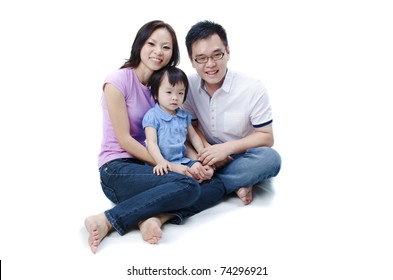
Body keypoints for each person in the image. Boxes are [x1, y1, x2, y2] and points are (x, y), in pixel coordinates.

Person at [84, 20, 225, 253]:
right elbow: (125, 140)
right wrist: (171, 166)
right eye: (152, 43)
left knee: (216, 184)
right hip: (118, 169)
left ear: (173, 54)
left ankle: (157, 217)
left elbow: (177, 134)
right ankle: (107, 220)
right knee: (187, 185)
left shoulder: (164, 87)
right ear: (140, 44)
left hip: (151, 169)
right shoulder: (117, 82)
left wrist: (197, 163)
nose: (158, 52)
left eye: (166, 47)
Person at [183, 20, 282, 206]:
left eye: (217, 55)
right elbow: (192, 127)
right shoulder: (187, 86)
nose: (210, 64)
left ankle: (212, 183)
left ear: (228, 52)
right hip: (206, 155)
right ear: (192, 61)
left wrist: (226, 149)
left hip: (243, 155)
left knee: (271, 159)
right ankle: (241, 181)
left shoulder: (253, 87)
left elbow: (267, 138)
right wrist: (207, 153)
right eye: (201, 58)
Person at [143, 66, 214, 181]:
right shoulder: (152, 116)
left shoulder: (184, 116)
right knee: (180, 179)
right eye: (169, 92)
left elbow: (194, 136)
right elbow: (151, 143)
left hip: (183, 159)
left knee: (200, 170)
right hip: (162, 162)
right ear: (156, 94)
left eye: (180, 93)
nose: (175, 98)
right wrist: (161, 161)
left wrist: (201, 155)